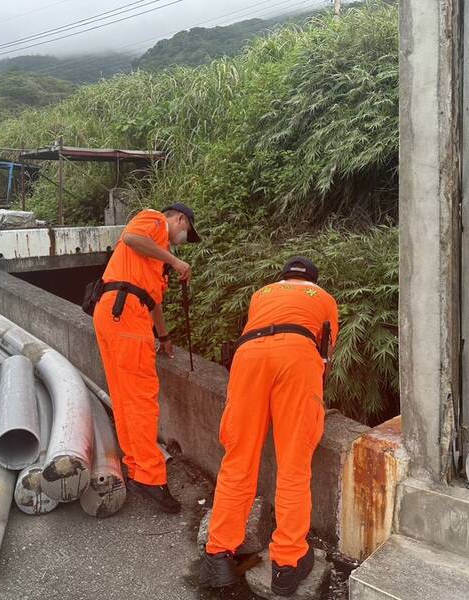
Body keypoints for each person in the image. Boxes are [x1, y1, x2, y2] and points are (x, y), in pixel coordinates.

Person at [199, 256, 339, 596]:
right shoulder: (324, 299)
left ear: (283, 278)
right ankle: (287, 564)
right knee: (294, 462)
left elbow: (258, 333)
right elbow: (325, 356)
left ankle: (218, 554)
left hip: (248, 358)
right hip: (297, 357)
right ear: (313, 281)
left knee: (239, 458)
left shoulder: (261, 294)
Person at [93, 203, 200, 513]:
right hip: (126, 315)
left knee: (126, 398)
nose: (183, 238)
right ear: (180, 219)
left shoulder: (151, 259)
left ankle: (136, 467)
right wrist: (175, 261)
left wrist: (164, 337)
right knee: (141, 399)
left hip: (114, 312)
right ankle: (152, 477)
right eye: (187, 232)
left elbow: (152, 302)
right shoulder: (154, 220)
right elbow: (129, 238)